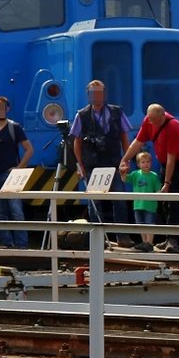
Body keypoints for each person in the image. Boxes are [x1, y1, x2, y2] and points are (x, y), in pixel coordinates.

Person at [69, 79, 133, 247]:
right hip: (92, 164)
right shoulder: (81, 115)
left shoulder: (117, 112)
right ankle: (98, 239)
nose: (97, 97)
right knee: (94, 201)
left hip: (114, 162)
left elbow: (125, 137)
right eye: (93, 93)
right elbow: (76, 141)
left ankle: (122, 237)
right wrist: (80, 164)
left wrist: (126, 160)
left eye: (99, 93)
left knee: (119, 200)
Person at [119, 103, 179, 253]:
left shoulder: (173, 126)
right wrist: (125, 159)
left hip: (178, 164)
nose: (153, 124)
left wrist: (167, 182)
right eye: (151, 120)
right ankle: (168, 237)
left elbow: (172, 158)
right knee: (164, 203)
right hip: (164, 163)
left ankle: (174, 240)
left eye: (156, 120)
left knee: (173, 202)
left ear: (163, 116)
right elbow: (138, 142)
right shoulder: (149, 121)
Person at [0, 95, 34, 249]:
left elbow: (29, 150)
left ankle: (22, 245)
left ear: (7, 109)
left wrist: (18, 169)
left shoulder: (14, 127)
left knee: (16, 211)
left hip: (10, 175)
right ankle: (7, 244)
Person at [122, 151, 162, 252]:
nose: (146, 164)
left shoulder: (154, 176)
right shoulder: (135, 174)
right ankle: (144, 242)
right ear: (138, 164)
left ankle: (149, 243)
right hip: (138, 204)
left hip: (150, 205)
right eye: (143, 162)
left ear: (151, 163)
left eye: (148, 162)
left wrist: (159, 196)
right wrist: (122, 173)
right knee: (140, 224)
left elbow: (158, 189)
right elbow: (125, 179)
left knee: (150, 224)